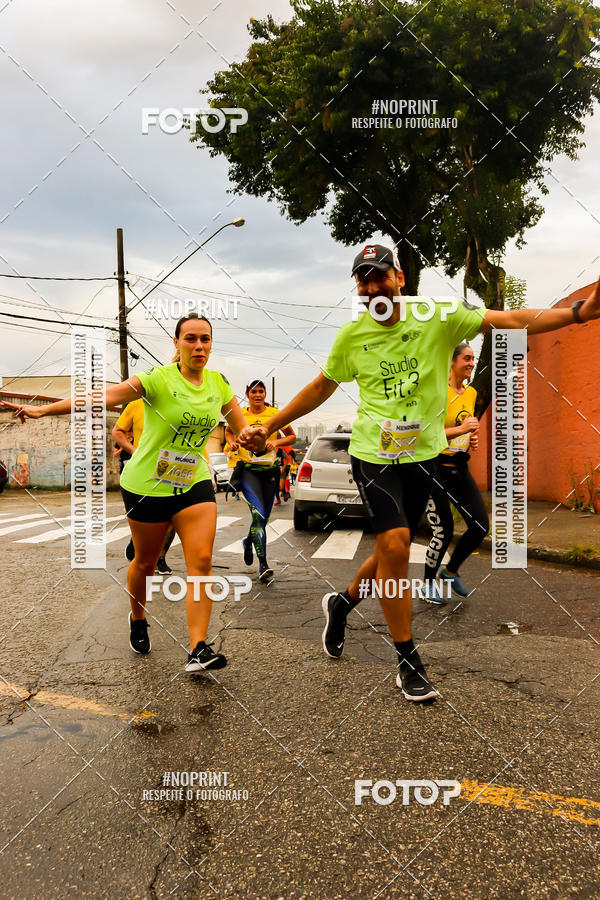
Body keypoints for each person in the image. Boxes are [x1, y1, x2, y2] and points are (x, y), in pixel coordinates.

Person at [239, 243, 600, 703]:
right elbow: (320, 387)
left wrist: (578, 312)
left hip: (423, 455)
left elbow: (507, 320)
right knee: (392, 544)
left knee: (396, 547)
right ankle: (408, 658)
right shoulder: (353, 336)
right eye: (363, 280)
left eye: (380, 276)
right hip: (373, 454)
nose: (372, 287)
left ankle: (343, 602)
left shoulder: (437, 315)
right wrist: (268, 425)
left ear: (400, 278)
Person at [2, 314, 250, 673]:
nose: (199, 346)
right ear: (177, 344)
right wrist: (44, 411)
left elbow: (241, 431)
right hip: (147, 484)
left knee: (202, 561)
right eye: (191, 339)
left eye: (206, 339)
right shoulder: (157, 379)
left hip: (193, 482)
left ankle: (198, 647)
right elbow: (99, 397)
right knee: (145, 563)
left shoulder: (219, 386)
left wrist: (253, 438)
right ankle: (137, 616)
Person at [423, 343, 489, 603]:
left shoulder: (470, 394)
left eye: (473, 359)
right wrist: (461, 430)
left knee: (480, 525)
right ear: (452, 362)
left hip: (459, 466)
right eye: (467, 358)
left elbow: (465, 426)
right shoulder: (437, 392)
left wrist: (470, 438)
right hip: (434, 467)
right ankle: (428, 584)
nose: (471, 363)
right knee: (444, 531)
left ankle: (450, 571)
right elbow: (427, 434)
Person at [225, 379, 295, 582]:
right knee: (257, 516)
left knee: (263, 519)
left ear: (265, 394)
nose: (257, 395)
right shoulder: (241, 413)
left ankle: (248, 542)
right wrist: (233, 444)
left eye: (261, 391)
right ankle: (263, 564)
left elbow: (291, 436)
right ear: (247, 394)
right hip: (248, 471)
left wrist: (276, 442)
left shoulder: (274, 414)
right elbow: (229, 432)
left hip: (270, 472)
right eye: (253, 391)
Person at [112, 399, 175, 573]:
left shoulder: (178, 402)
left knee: (172, 518)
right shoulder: (135, 405)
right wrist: (134, 451)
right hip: (144, 469)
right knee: (147, 515)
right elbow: (117, 432)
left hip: (171, 467)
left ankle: (160, 557)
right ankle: (137, 543)